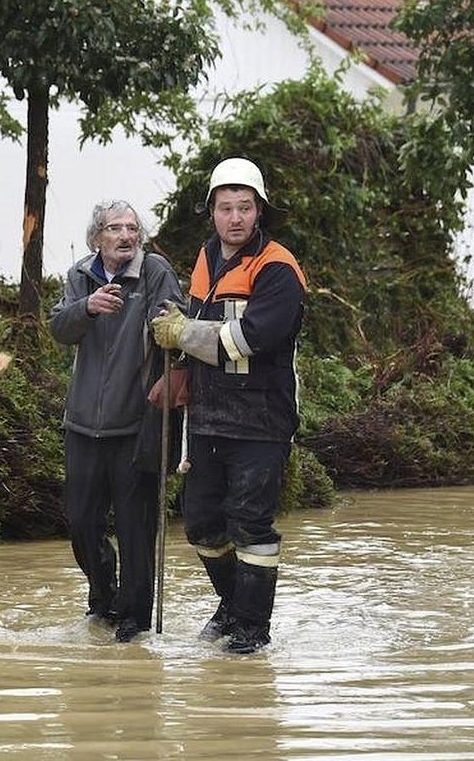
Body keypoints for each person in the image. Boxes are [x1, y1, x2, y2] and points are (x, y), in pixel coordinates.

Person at [151, 157, 307, 654]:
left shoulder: (279, 268)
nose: (235, 218)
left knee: (251, 525)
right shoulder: (205, 259)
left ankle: (251, 635)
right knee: (200, 523)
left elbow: (248, 338)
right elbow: (199, 333)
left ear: (259, 211)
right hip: (207, 420)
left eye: (244, 207)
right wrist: (176, 354)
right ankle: (234, 608)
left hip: (262, 422)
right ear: (211, 213)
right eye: (225, 208)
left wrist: (184, 333)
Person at [48, 200, 185, 643]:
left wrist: (165, 325)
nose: (125, 236)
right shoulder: (79, 276)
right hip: (83, 423)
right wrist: (87, 307)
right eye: (114, 229)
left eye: (131, 228)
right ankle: (103, 595)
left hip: (136, 422)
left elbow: (174, 327)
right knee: (81, 522)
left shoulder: (154, 272)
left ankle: (134, 617)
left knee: (135, 526)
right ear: (96, 239)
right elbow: (59, 329)